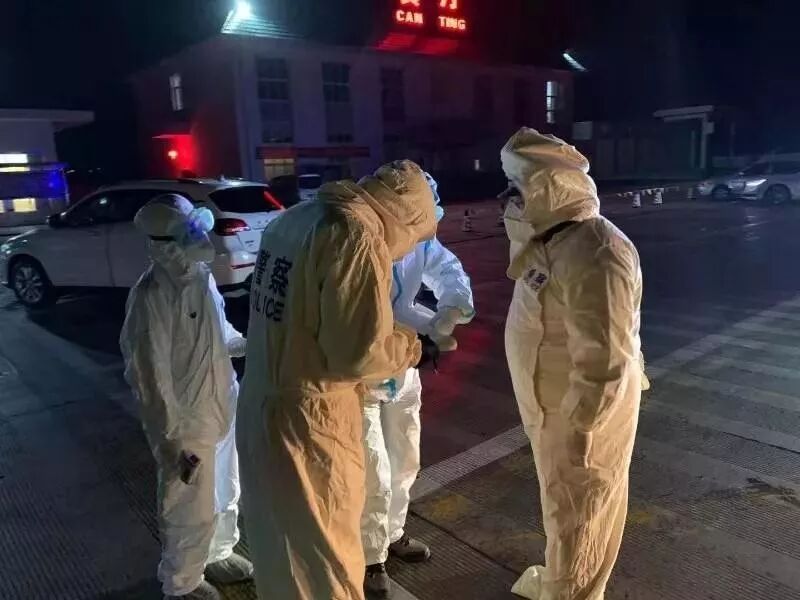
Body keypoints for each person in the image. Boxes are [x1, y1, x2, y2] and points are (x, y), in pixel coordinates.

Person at [237, 160, 437, 600]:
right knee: (326, 563)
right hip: (310, 422)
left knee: (280, 554)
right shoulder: (356, 236)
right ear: (406, 217)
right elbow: (357, 355)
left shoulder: (297, 218)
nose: (404, 251)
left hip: (262, 405)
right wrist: (413, 347)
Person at [500, 128, 643, 600]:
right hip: (553, 413)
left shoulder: (596, 251)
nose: (509, 200)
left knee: (580, 513)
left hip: (579, 421)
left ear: (548, 188)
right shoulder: (553, 241)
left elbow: (605, 359)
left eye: (518, 189)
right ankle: (563, 581)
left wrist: (581, 429)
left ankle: (572, 592)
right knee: (564, 509)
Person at [119, 194, 253, 600]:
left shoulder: (201, 278)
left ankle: (219, 552)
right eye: (190, 231)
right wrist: (170, 434)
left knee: (226, 486)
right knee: (187, 503)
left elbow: (220, 332)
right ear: (166, 244)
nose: (200, 237)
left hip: (221, 402)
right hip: (187, 420)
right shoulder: (152, 297)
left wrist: (250, 345)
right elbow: (148, 374)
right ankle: (183, 583)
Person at [361, 173, 475, 599]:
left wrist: (451, 307)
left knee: (404, 455)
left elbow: (445, 267)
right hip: (366, 370)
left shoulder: (415, 239)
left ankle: (392, 533)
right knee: (372, 467)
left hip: (404, 362)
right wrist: (416, 340)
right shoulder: (359, 242)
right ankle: (370, 556)